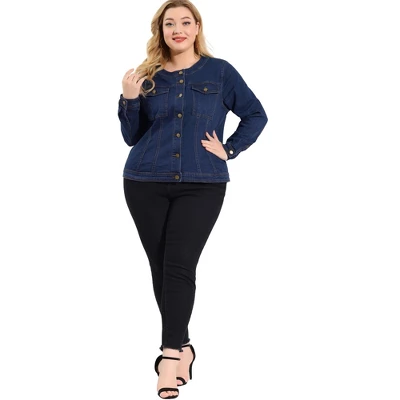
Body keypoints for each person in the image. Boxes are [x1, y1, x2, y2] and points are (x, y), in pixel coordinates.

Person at [117, 0, 268, 398]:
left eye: (186, 22)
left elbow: (256, 114)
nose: (178, 29)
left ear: (197, 28)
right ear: (161, 30)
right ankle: (183, 346)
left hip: (203, 183)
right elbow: (132, 137)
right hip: (144, 180)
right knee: (161, 267)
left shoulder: (220, 72)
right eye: (170, 23)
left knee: (180, 265)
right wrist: (129, 99)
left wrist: (230, 149)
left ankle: (168, 358)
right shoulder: (146, 75)